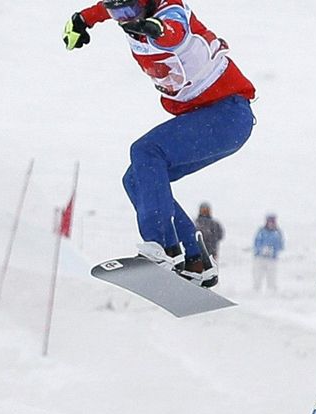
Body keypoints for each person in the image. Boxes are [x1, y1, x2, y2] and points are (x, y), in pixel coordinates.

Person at [63, 0, 256, 288]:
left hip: (226, 114)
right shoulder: (131, 13)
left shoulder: (170, 13)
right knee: (136, 179)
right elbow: (108, 8)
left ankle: (161, 248)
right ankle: (196, 260)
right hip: (210, 118)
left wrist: (158, 29)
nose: (124, 20)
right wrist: (83, 19)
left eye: (129, 12)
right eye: (118, 14)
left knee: (145, 151)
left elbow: (175, 31)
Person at [252, 212, 284, 292]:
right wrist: (261, 249)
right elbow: (256, 242)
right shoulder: (261, 231)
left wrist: (273, 250)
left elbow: (280, 245)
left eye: (273, 221)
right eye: (270, 221)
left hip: (272, 259)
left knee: (272, 277)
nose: (271, 223)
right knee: (257, 276)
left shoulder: (277, 233)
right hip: (260, 258)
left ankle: (271, 292)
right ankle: (256, 291)